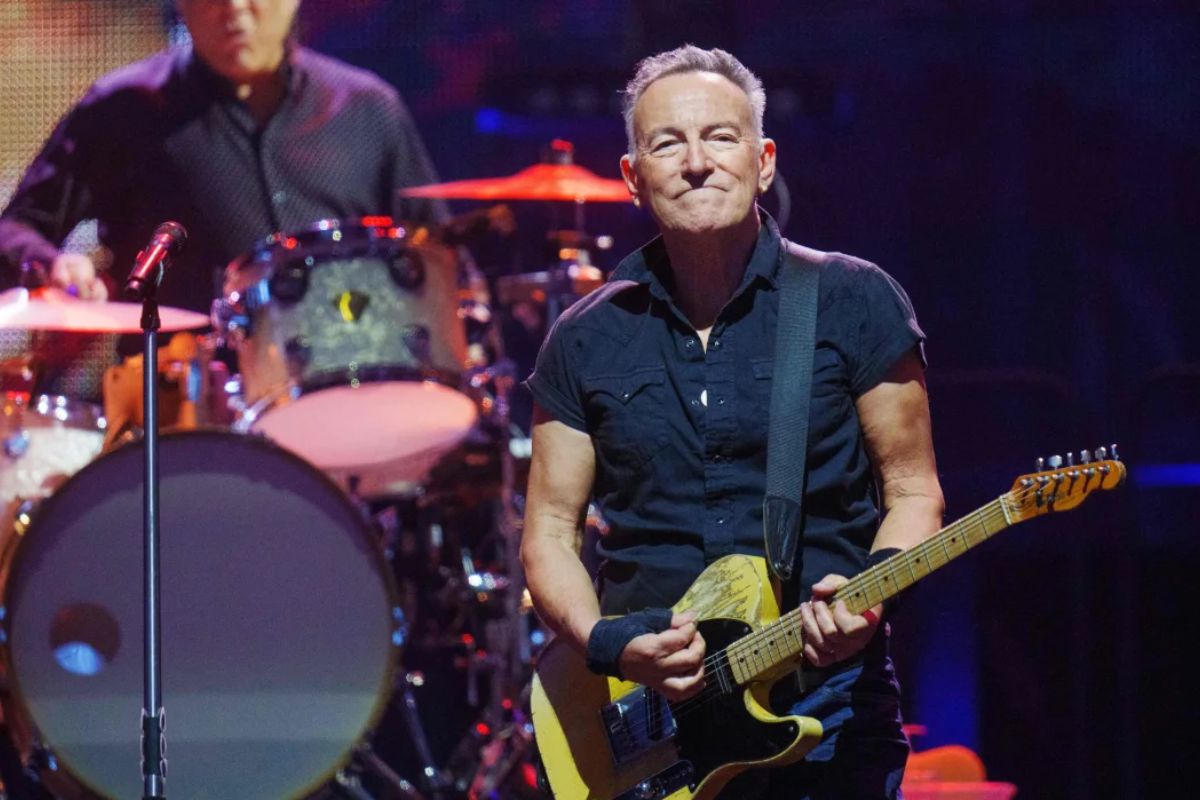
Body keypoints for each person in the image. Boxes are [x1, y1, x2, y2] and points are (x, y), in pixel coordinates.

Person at [520, 45, 945, 798]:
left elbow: (913, 492)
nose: (696, 163)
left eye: (720, 136)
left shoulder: (853, 301)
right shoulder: (584, 338)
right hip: (646, 728)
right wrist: (606, 643)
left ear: (764, 160)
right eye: (667, 143)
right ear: (632, 177)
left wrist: (870, 595)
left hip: (822, 710)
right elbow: (549, 533)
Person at [0, 0, 445, 313]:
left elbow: (437, 253)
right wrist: (51, 265)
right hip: (185, 396)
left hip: (351, 379)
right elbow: (14, 229)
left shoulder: (367, 109)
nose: (233, 7)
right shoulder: (123, 109)